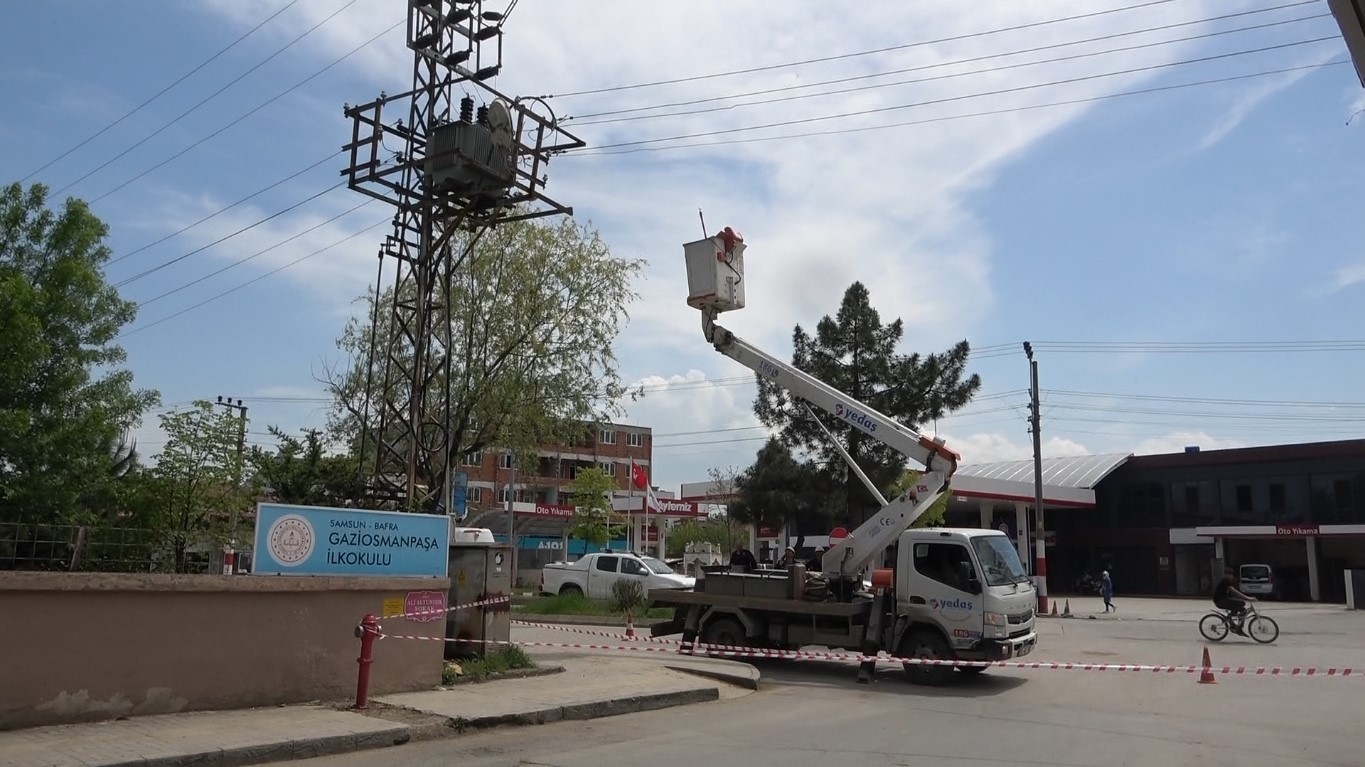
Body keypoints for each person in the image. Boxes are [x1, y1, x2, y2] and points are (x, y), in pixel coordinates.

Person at [1213, 566, 1256, 633]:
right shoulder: (1225, 581)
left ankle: (1238, 628)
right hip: (1220, 601)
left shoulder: (1229, 581)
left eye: (1231, 575)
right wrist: (1248, 598)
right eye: (1229, 575)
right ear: (1225, 575)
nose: (1231, 576)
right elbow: (1235, 592)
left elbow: (1234, 593)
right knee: (1241, 602)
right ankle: (1230, 617)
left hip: (1225, 599)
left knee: (1243, 611)